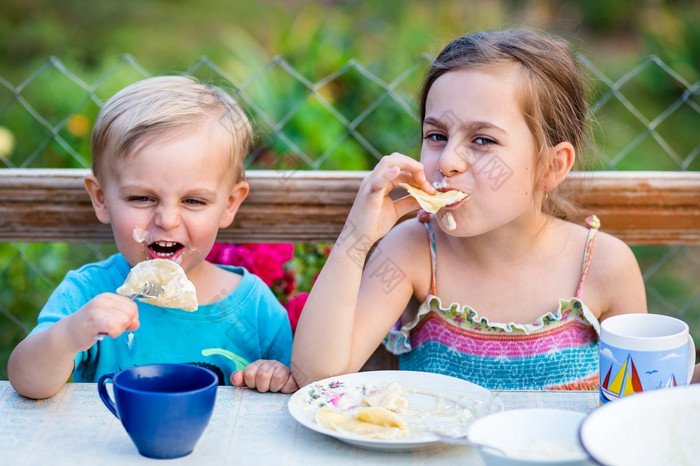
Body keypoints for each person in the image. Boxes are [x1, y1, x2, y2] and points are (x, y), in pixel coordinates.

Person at [292, 28, 651, 390]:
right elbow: (317, 377)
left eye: (482, 140)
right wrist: (357, 235)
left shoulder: (604, 266)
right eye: (437, 136)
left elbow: (638, 398)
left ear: (552, 166)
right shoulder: (412, 252)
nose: (448, 161)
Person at [8, 76, 297, 399]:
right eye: (141, 198)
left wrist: (275, 375)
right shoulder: (87, 294)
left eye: (193, 201)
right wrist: (70, 334)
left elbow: (293, 388)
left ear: (229, 205)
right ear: (101, 198)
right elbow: (27, 381)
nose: (167, 220)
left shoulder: (255, 308)